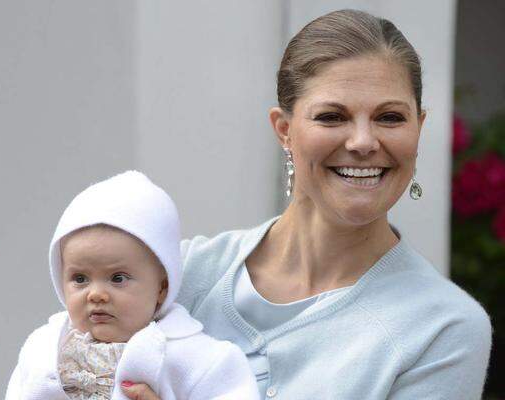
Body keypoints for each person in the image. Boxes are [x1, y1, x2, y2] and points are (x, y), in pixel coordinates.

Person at [119, 9, 493, 400]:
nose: (363, 142)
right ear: (284, 130)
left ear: (418, 127)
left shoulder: (444, 327)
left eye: (390, 117)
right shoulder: (179, 275)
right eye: (332, 117)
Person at [4, 171, 259, 400]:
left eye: (117, 278)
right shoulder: (42, 348)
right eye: (80, 279)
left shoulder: (195, 358)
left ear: (161, 288)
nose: (96, 294)